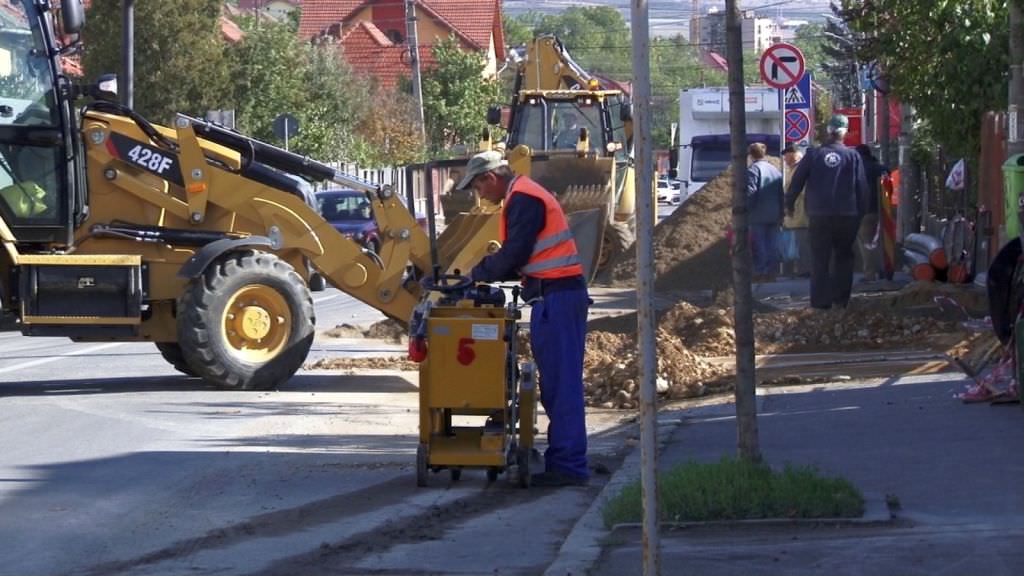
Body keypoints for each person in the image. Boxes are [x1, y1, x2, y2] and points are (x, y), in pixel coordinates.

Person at [458, 150, 590, 487]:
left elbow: (514, 252)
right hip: (553, 297)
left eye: (477, 187)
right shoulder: (522, 195)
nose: (480, 195)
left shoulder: (523, 198)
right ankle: (565, 460)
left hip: (558, 298)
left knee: (562, 386)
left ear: (490, 178)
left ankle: (570, 468)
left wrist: (474, 276)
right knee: (555, 385)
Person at [785, 114, 869, 310]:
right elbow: (862, 188)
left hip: (819, 215)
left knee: (820, 258)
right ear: (844, 133)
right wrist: (860, 213)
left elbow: (797, 182)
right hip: (847, 215)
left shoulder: (813, 155)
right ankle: (841, 300)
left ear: (828, 131)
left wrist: (788, 204)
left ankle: (821, 303)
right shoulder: (853, 156)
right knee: (844, 257)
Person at [746, 142, 784, 281]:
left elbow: (751, 193)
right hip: (774, 213)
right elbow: (781, 193)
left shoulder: (753, 170)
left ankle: (761, 271)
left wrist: (746, 210)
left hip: (758, 214)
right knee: (772, 244)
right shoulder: (775, 170)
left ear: (751, 155)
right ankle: (772, 271)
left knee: (759, 244)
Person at [855, 144, 889, 282]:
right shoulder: (880, 168)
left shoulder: (856, 169)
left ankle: (870, 274)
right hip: (883, 210)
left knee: (866, 242)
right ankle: (884, 269)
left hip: (864, 211)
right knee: (882, 240)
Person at [781, 143, 811, 277]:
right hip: (794, 215)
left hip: (800, 214)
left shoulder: (800, 169)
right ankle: (797, 270)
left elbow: (802, 191)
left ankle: (804, 270)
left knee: (802, 243)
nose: (784, 159)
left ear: (793, 154)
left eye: (786, 155)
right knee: (796, 244)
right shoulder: (792, 169)